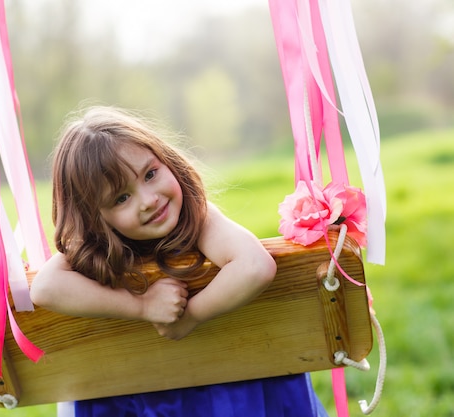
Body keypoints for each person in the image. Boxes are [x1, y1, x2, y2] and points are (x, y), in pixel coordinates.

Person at [30, 106, 328, 417]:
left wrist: (190, 316)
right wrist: (142, 306)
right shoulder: (95, 247)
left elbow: (256, 266)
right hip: (137, 401)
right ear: (94, 218)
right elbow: (45, 288)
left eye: (150, 174)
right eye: (121, 198)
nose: (149, 200)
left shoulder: (198, 217)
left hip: (230, 397)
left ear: (167, 161)